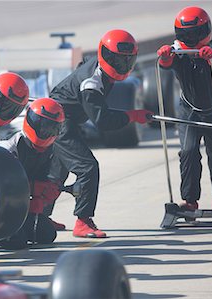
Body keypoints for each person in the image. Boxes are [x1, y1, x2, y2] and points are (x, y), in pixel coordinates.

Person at [46, 29, 153, 238]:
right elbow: (102, 121)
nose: (122, 66)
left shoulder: (101, 70)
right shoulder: (91, 83)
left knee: (57, 172)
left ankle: (40, 216)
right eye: (117, 60)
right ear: (105, 54)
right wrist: (132, 115)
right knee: (87, 167)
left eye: (126, 61)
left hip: (63, 119)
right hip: (57, 120)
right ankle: (83, 221)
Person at [157, 6, 212, 215]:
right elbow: (167, 64)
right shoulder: (179, 52)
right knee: (188, 153)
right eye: (186, 35)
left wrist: (211, 57)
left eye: (195, 34)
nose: (191, 39)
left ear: (205, 31)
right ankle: (190, 201)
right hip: (188, 111)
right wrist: (165, 55)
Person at [0, 97, 65, 249]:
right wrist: (34, 188)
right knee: (17, 242)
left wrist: (45, 193)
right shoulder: (8, 147)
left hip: (18, 207)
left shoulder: (48, 150)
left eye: (51, 128)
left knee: (47, 235)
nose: (46, 132)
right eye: (43, 126)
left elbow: (41, 177)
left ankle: (12, 230)